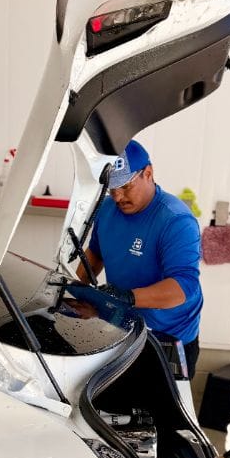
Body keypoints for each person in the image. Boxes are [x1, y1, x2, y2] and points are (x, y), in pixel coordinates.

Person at [73, 139, 202, 378]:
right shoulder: (107, 209)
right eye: (112, 188)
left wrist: (126, 297)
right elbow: (95, 254)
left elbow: (184, 287)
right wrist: (74, 289)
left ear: (148, 173)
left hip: (168, 338)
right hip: (123, 327)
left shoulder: (176, 221)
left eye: (125, 186)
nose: (118, 196)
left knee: (161, 412)